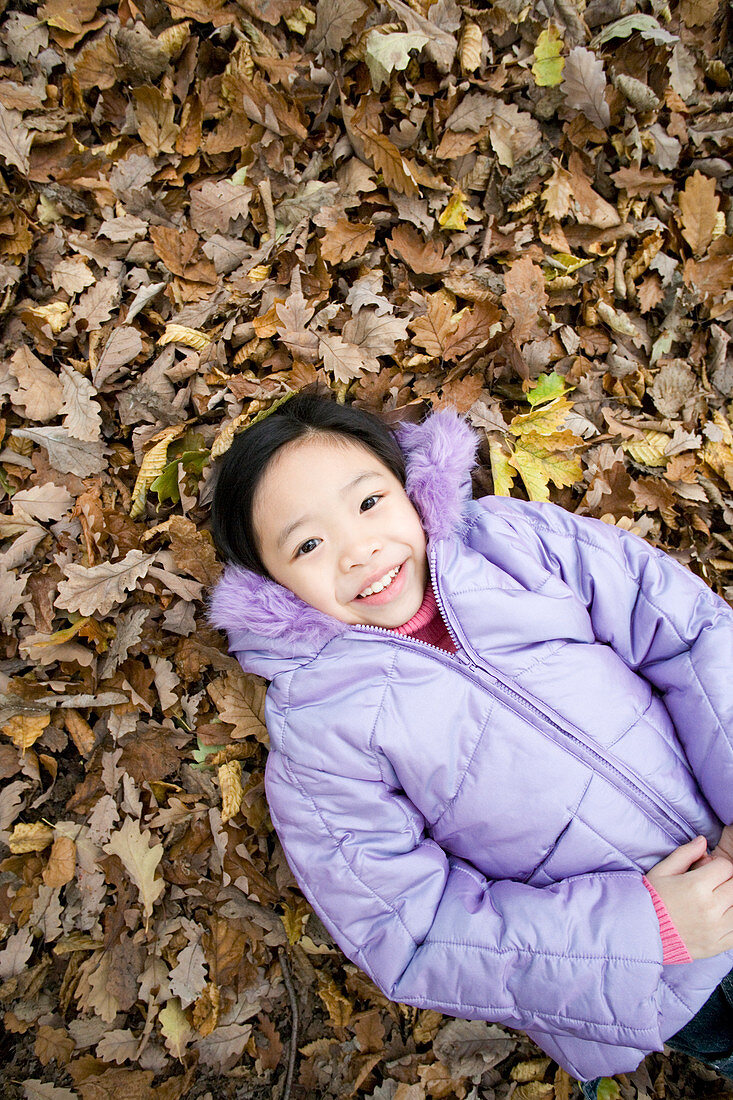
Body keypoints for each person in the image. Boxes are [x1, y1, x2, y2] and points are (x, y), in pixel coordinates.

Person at [208, 390, 733, 1095]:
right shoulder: (318, 730)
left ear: (408, 487)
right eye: (307, 544)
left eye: (368, 503)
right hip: (657, 972)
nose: (358, 550)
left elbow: (690, 634)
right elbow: (414, 931)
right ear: (273, 585)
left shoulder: (516, 543)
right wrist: (648, 934)